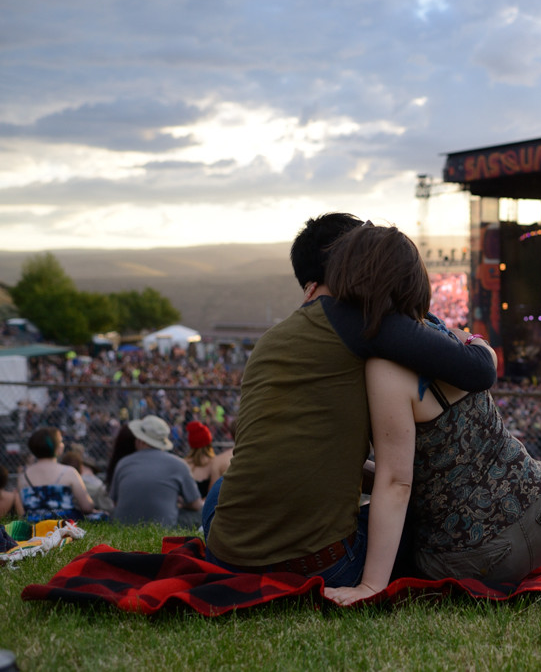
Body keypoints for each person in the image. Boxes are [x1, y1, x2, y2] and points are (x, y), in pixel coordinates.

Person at [322, 226, 541, 606]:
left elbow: (397, 483)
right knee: (507, 511)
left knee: (422, 547)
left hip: (479, 554)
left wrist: (370, 587)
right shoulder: (449, 338)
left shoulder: (384, 368)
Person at [203, 213, 497, 587]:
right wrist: (480, 344)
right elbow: (478, 372)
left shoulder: (273, 337)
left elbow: (299, 456)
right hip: (323, 567)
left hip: (226, 554)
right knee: (419, 511)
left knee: (220, 491)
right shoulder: (364, 322)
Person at [109, 415, 202, 527]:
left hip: (122, 526)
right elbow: (196, 505)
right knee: (200, 513)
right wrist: (179, 504)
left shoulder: (123, 463)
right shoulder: (179, 465)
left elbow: (115, 502)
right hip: (165, 527)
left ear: (140, 441)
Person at [16, 427, 96, 522]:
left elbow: (23, 510)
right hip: (65, 523)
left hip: (34, 523)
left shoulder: (23, 477)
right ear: (56, 448)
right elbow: (87, 507)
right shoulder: (69, 472)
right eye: (61, 441)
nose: (62, 445)